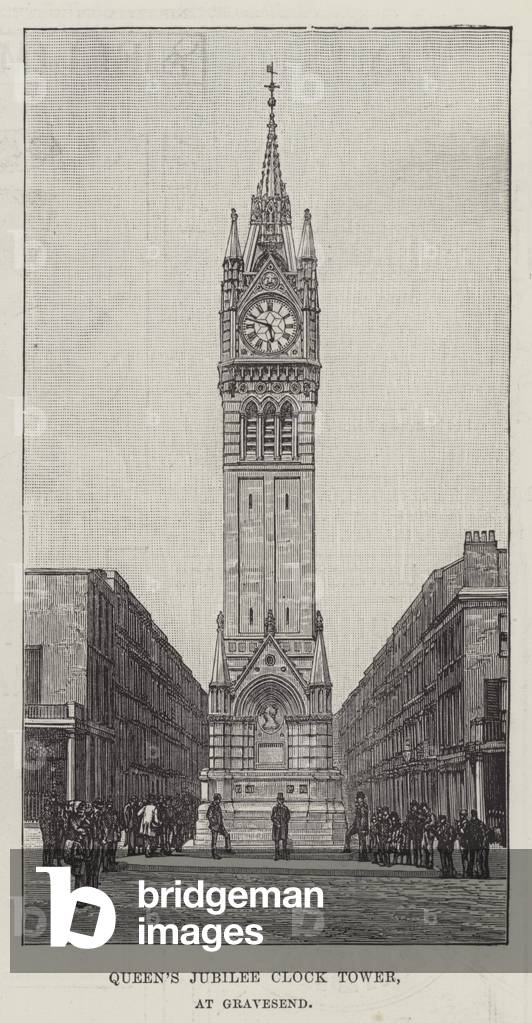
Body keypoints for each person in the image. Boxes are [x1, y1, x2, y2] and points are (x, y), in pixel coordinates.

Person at [343, 791, 369, 860]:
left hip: (361, 826)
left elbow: (364, 819)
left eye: (360, 801)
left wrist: (363, 829)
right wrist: (354, 824)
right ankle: (347, 849)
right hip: (356, 825)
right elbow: (357, 818)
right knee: (348, 833)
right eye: (358, 801)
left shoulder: (363, 808)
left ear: (362, 800)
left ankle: (363, 856)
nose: (359, 802)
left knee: (362, 842)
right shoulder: (358, 807)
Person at [206, 793, 233, 859]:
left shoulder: (218, 806)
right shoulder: (212, 806)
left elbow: (219, 815)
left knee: (227, 835)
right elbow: (208, 815)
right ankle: (214, 854)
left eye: (220, 799)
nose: (220, 801)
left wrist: (220, 822)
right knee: (214, 841)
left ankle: (228, 849)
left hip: (220, 825)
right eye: (219, 799)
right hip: (215, 826)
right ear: (216, 799)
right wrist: (214, 822)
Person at [271, 792, 291, 861]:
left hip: (283, 827)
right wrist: (277, 823)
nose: (280, 801)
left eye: (281, 800)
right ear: (277, 800)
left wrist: (285, 823)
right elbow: (272, 817)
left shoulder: (285, 808)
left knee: (284, 841)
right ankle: (277, 855)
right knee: (277, 842)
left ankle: (284, 855)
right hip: (276, 828)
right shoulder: (275, 808)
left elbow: (288, 817)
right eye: (279, 800)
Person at [456, 809, 470, 877]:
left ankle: (466, 872)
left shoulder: (466, 823)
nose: (460, 816)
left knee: (465, 857)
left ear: (464, 816)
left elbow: (463, 832)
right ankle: (465, 871)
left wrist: (459, 826)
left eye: (461, 815)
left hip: (466, 842)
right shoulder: (462, 822)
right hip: (462, 841)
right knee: (463, 857)